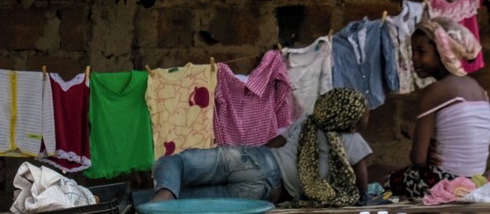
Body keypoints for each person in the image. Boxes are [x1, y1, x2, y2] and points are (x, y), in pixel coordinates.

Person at [149, 87, 371, 206]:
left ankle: (163, 196)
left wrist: (251, 157)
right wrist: (363, 196)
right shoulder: (352, 139)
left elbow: (275, 143)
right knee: (192, 204)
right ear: (352, 119)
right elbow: (361, 178)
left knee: (174, 162)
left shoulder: (308, 121)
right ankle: (163, 206)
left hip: (258, 159)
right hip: (269, 191)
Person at [385, 16, 490, 198]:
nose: (414, 59)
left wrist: (424, 153)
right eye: (413, 52)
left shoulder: (435, 91)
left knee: (376, 173)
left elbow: (418, 159)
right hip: (474, 181)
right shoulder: (479, 89)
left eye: (421, 51)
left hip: (442, 182)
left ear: (442, 51)